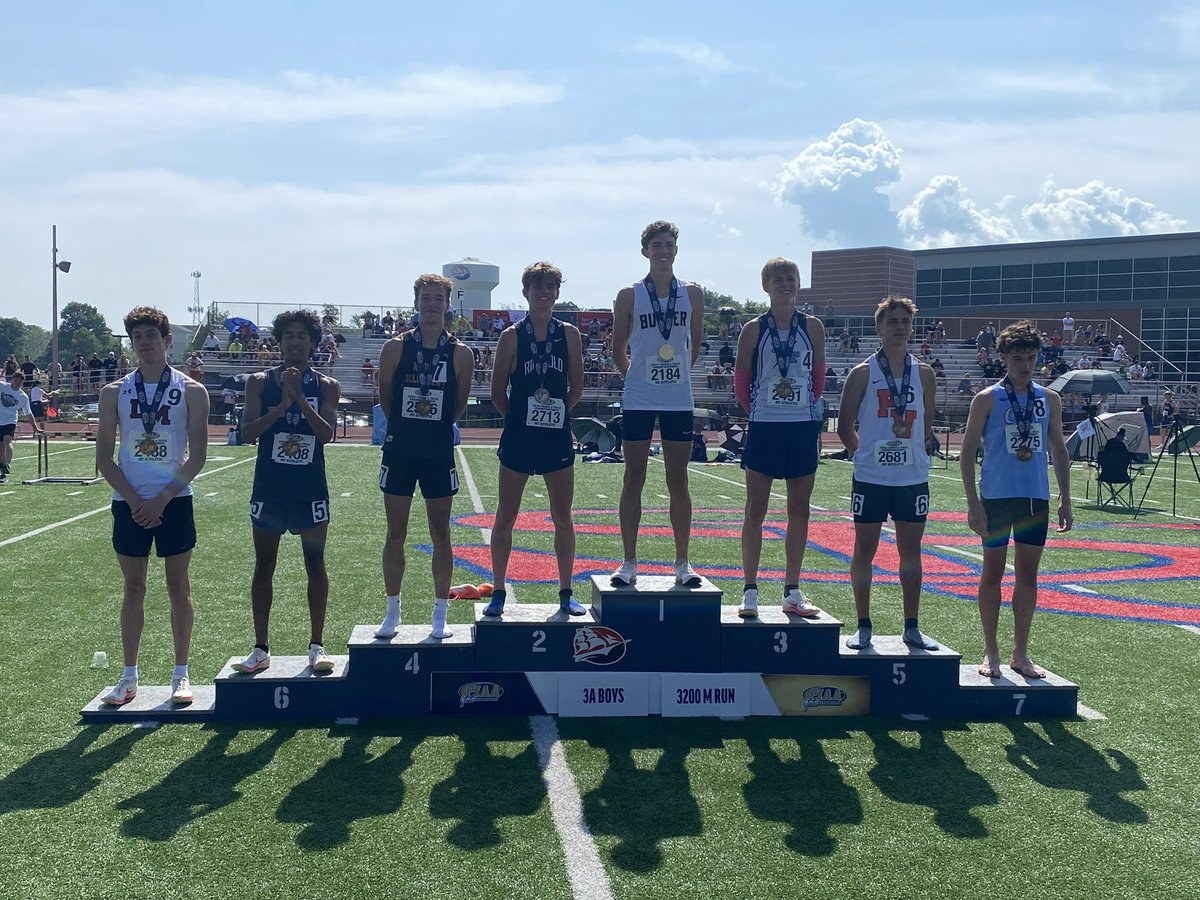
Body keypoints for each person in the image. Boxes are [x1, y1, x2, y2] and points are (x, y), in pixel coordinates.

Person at [95, 307, 209, 705]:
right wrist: (134, 501)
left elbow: (197, 457)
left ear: (167, 340)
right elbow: (104, 458)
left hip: (173, 501)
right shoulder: (113, 392)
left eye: (151, 335)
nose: (144, 343)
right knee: (133, 588)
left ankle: (181, 674)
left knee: (179, 587)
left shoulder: (192, 391)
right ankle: (129, 676)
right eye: (137, 337)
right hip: (129, 503)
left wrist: (161, 499)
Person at [959, 320, 1072, 679]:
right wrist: (973, 503)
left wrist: (1066, 498)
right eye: (1018, 358)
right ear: (1004, 358)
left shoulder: (1049, 399)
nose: (1025, 365)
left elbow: (1059, 449)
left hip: (1034, 499)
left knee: (1028, 575)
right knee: (992, 572)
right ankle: (990, 651)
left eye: (1031, 358)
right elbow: (966, 453)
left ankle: (1020, 653)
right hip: (995, 498)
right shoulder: (987, 399)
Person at [232, 310, 339, 676]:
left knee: (315, 563)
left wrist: (300, 399)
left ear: (313, 343)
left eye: (302, 336)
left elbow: (326, 434)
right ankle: (260, 648)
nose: (295, 342)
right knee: (264, 565)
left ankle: (317, 645)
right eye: (288, 335)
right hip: (270, 487)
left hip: (309, 487)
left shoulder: (326, 385)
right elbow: (247, 433)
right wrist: (281, 406)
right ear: (279, 342)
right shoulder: (259, 382)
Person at [836, 296, 938, 650]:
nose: (899, 327)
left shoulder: (924, 374)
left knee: (911, 550)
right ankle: (863, 624)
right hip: (872, 478)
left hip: (912, 477)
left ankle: (912, 626)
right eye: (892, 321)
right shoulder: (862, 373)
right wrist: (865, 456)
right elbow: (844, 426)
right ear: (878, 327)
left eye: (905, 322)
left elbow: (926, 425)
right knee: (864, 549)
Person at [375, 274, 474, 640]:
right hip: (400, 449)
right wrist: (408, 425)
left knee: (441, 533)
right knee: (395, 533)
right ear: (416, 302)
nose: (432, 304)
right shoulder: (395, 348)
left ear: (448, 304)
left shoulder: (461, 353)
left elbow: (459, 405)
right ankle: (392, 611)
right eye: (426, 298)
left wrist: (434, 425)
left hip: (437, 451)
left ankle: (439, 613)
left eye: (438, 298)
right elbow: (386, 398)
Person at [486, 262, 585, 617]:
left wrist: (556, 415)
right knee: (505, 515)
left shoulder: (569, 334)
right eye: (538, 286)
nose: (544, 292)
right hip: (519, 438)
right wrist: (519, 419)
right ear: (526, 292)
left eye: (550, 286)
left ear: (557, 293)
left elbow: (577, 386)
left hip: (555, 438)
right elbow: (497, 391)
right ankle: (498, 590)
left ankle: (566, 591)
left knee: (562, 516)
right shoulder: (512, 336)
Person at [610, 220, 705, 586]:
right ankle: (628, 561)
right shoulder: (629, 295)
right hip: (638, 398)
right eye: (657, 245)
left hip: (678, 398)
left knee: (678, 479)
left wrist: (674, 375)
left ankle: (682, 562)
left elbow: (694, 345)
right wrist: (637, 378)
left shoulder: (692, 294)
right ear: (645, 251)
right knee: (633, 477)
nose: (663, 251)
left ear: (676, 250)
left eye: (668, 245)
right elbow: (618, 349)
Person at [735, 257, 825, 618]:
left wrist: (801, 406)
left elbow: (819, 377)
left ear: (798, 283)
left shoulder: (813, 326)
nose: (786, 284)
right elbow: (742, 380)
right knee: (755, 510)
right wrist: (760, 410)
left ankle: (792, 590)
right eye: (778, 280)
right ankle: (750, 590)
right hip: (765, 426)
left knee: (799, 510)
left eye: (791, 278)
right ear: (766, 286)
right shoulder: (753, 329)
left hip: (801, 427)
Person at [0, 372, 44, 483]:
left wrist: (35, 428)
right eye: (16, 380)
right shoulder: (2, 386)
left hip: (10, 421)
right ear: (12, 379)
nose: (17, 383)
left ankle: (7, 464)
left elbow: (28, 413)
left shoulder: (22, 397)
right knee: (0, 447)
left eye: (20, 382)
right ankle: (3, 472)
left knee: (7, 440)